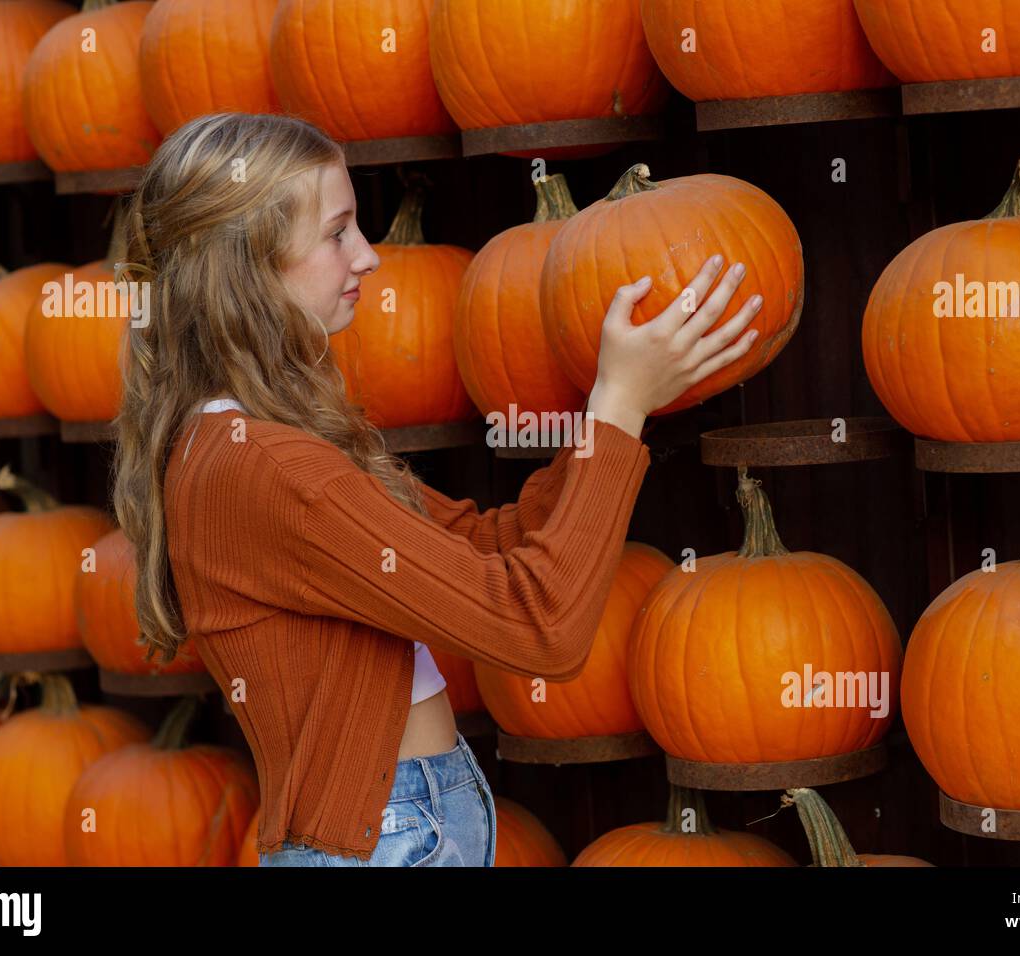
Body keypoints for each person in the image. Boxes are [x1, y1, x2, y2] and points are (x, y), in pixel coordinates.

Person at [111, 112, 765, 867]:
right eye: (337, 233)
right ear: (246, 265)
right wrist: (618, 408)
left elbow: (483, 543)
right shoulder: (266, 470)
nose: (369, 258)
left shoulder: (250, 443)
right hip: (390, 839)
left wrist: (619, 404)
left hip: (397, 830)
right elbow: (537, 628)